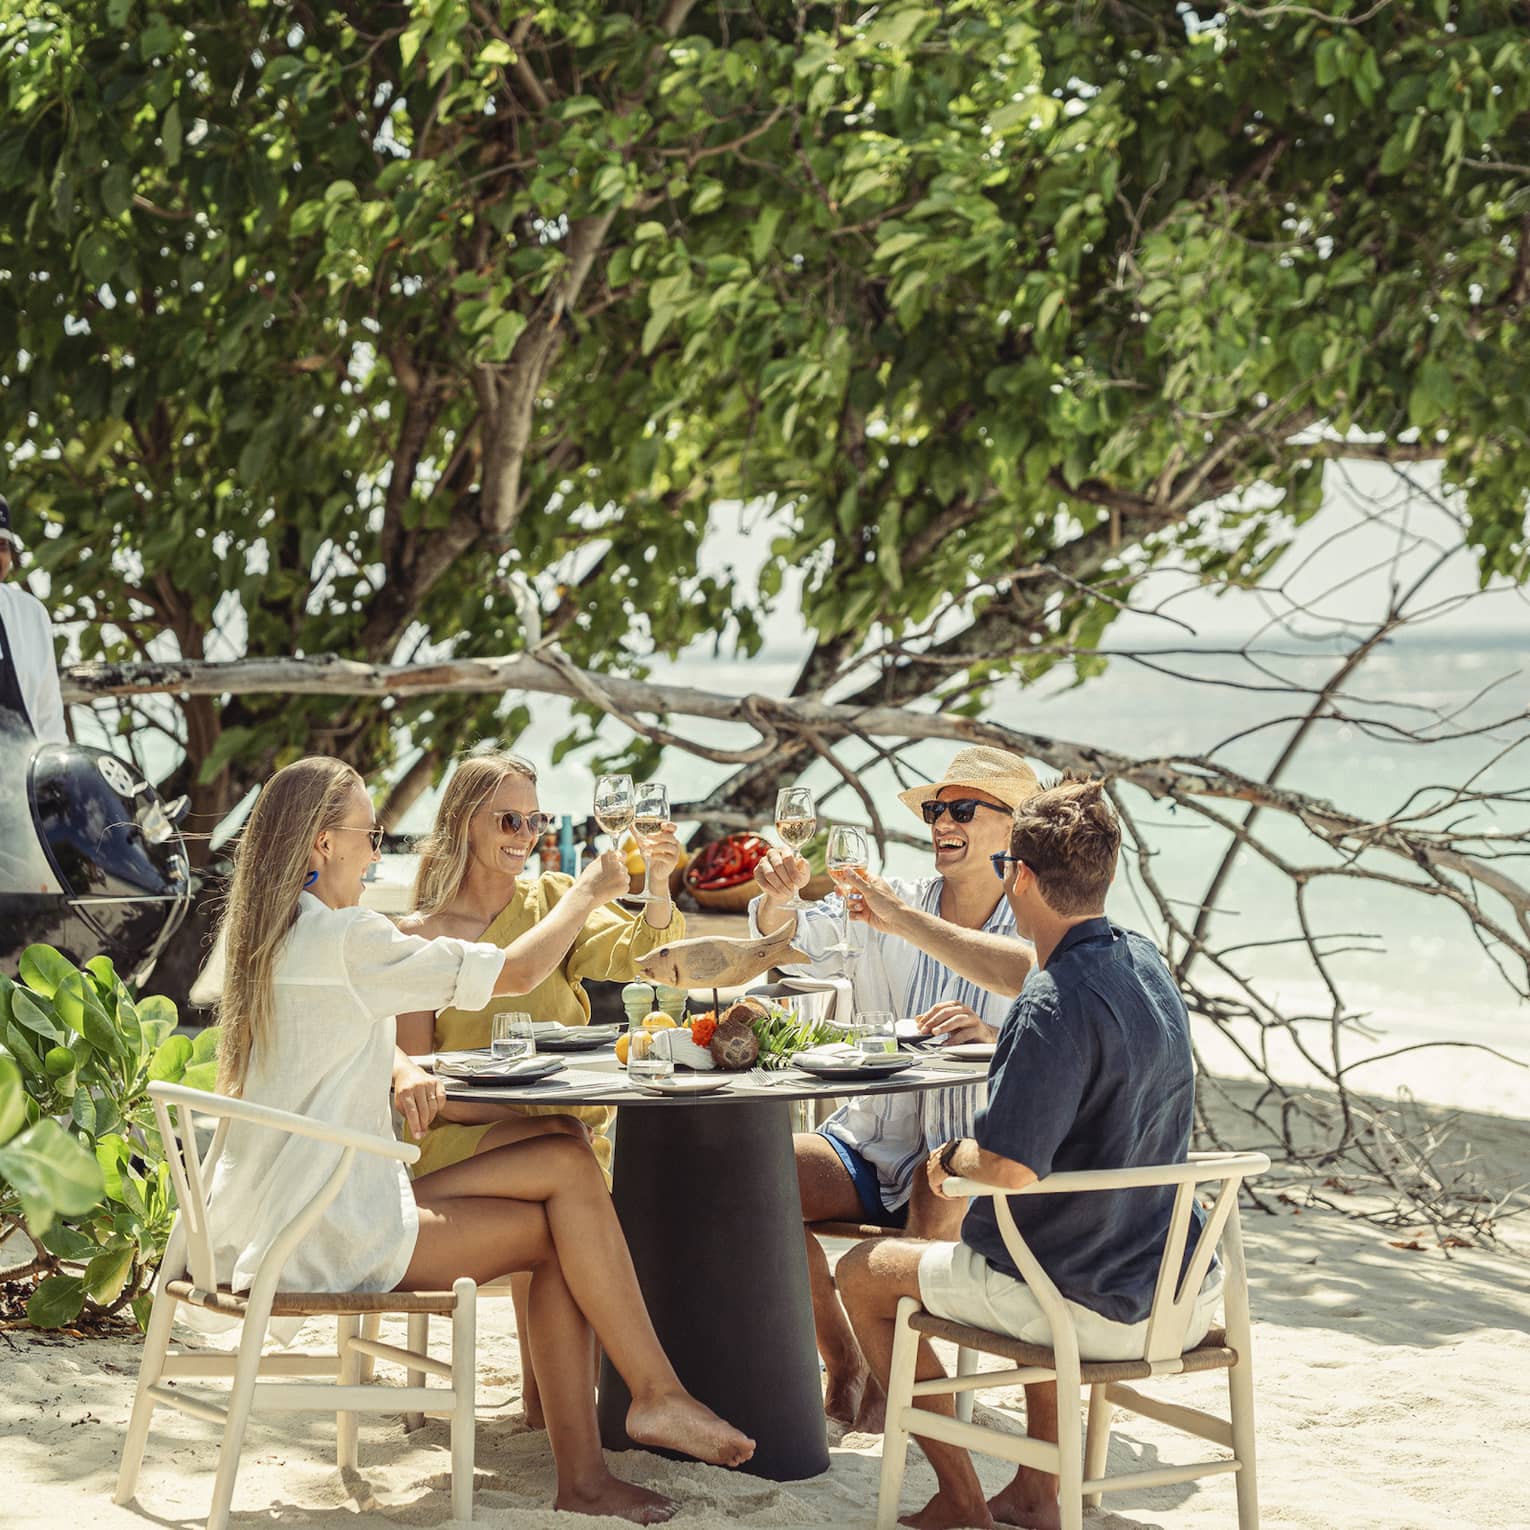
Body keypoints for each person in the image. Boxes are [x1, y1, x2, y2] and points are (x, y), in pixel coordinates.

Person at [203, 756, 752, 1524]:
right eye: (369, 833)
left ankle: (631, 1422)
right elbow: (521, 969)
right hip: (329, 1227)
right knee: (564, 1204)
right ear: (322, 844)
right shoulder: (349, 939)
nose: (378, 849)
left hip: (281, 1213)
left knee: (564, 1167)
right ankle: (628, 1427)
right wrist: (594, 886)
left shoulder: (279, 934)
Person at [835, 778, 1217, 1530]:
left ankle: (959, 1497)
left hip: (1085, 1303)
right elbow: (1026, 968)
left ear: (1021, 876)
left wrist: (948, 1162)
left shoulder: (1048, 1006)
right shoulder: (1141, 960)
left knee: (865, 1274)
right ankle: (1039, 1491)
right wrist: (905, 919)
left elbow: (1009, 1169)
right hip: (1178, 1288)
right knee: (1046, 1233)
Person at [750, 746, 1040, 1430]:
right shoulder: (895, 901)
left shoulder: (1037, 924)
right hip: (873, 1140)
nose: (944, 819)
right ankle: (846, 1359)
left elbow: (1061, 1024)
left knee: (931, 1185)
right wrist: (776, 902)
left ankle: (895, 1379)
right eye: (938, 809)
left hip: (974, 1162)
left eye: (963, 809)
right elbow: (801, 942)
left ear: (1014, 829)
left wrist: (994, 1036)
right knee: (760, 1175)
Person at [395, 748, 684, 1425]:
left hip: (565, 1136)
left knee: (570, 1151)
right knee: (564, 1155)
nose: (525, 837)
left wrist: (661, 883)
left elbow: (658, 963)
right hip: (463, 1143)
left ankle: (559, 1404)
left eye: (535, 821)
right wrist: (526, 1108)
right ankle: (609, 1400)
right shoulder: (423, 936)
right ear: (465, 822)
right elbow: (419, 1094)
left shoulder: (552, 902)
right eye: (508, 821)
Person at [0, 496, 67, 743]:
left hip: (22, 778)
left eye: (2, 546)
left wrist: (58, 778)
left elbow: (49, 718)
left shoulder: (30, 613)